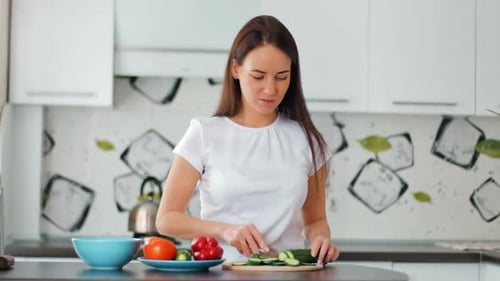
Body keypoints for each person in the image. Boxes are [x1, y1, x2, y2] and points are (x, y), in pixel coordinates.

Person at [156, 15, 340, 263]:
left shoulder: (308, 141)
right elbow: (167, 219)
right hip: (221, 272)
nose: (270, 89)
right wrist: (225, 230)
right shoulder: (203, 133)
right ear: (236, 69)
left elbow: (316, 221)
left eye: (281, 76)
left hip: (288, 275)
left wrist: (321, 241)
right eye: (258, 76)